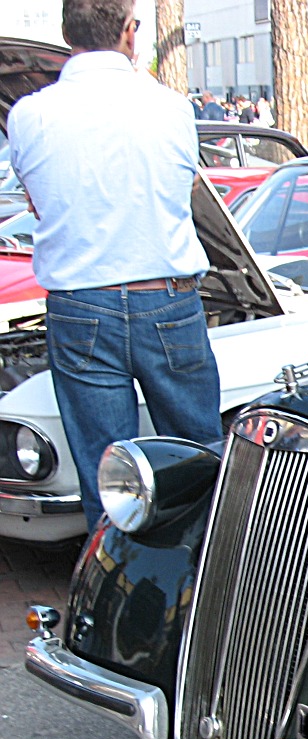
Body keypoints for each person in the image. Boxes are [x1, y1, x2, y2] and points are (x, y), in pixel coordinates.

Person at [9, 0, 223, 531]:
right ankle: (200, 577)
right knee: (197, 454)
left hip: (81, 301)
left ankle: (113, 584)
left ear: (67, 33)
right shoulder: (170, 107)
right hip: (167, 296)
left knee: (105, 470)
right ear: (130, 32)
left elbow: (38, 201)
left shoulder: (30, 113)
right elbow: (184, 189)